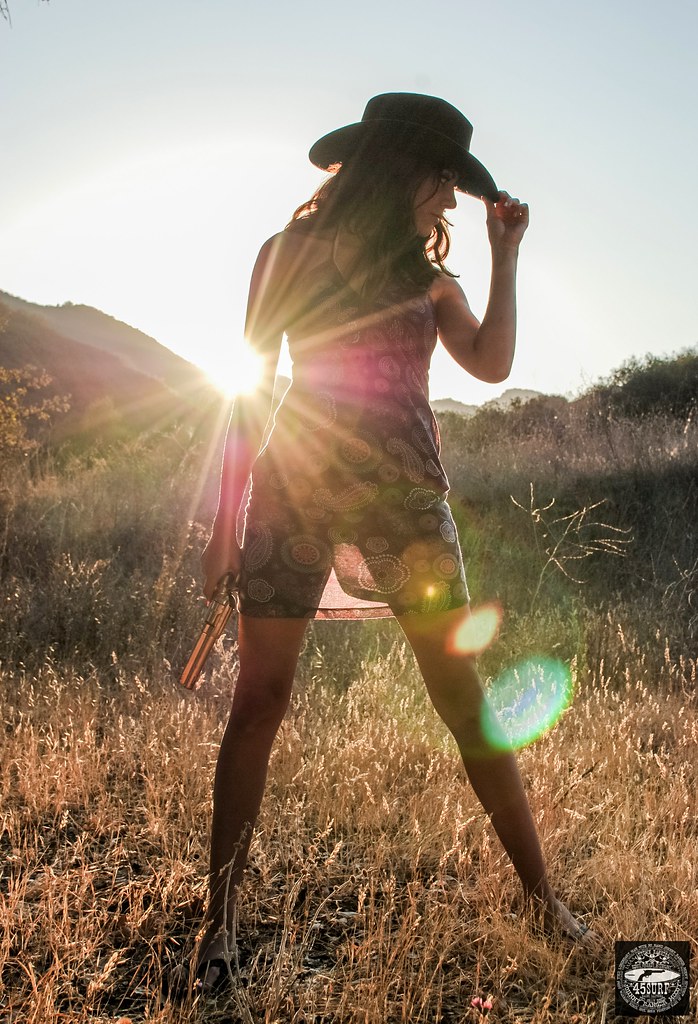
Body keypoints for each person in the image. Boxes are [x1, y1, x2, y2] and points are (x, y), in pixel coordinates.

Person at [195, 93, 597, 991]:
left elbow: (490, 365)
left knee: (465, 707)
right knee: (257, 702)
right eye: (443, 181)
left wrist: (504, 255)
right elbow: (246, 392)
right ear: (399, 169)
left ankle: (543, 902)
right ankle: (217, 926)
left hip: (410, 507)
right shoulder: (285, 255)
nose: (450, 203)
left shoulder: (429, 276)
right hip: (291, 496)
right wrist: (222, 527)